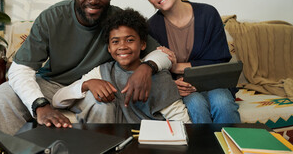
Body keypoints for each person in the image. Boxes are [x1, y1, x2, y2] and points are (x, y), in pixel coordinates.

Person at [0, 0, 171, 138]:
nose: (93, 0)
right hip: (52, 84)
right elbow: (20, 70)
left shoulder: (118, 20)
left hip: (94, 87)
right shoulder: (52, 18)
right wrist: (40, 105)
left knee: (104, 105)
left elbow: (162, 53)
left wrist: (146, 68)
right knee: (4, 94)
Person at [139, 0, 240, 123]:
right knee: (196, 105)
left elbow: (220, 61)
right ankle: (202, 148)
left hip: (213, 81)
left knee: (222, 103)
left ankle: (231, 147)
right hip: (181, 87)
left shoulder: (208, 14)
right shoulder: (151, 27)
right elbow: (154, 69)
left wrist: (176, 67)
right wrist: (172, 84)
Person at [52, 8, 191, 123]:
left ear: (143, 44)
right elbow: (57, 100)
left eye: (130, 40)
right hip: (115, 140)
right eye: (115, 42)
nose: (122, 46)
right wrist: (87, 84)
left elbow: (181, 120)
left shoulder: (160, 76)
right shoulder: (103, 71)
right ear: (109, 48)